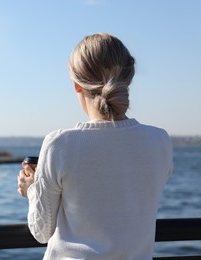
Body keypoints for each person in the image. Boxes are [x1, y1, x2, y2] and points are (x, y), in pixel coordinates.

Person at [17, 33, 173, 259]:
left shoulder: (60, 144)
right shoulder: (160, 141)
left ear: (77, 86)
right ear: (128, 78)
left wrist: (32, 189)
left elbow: (41, 232)